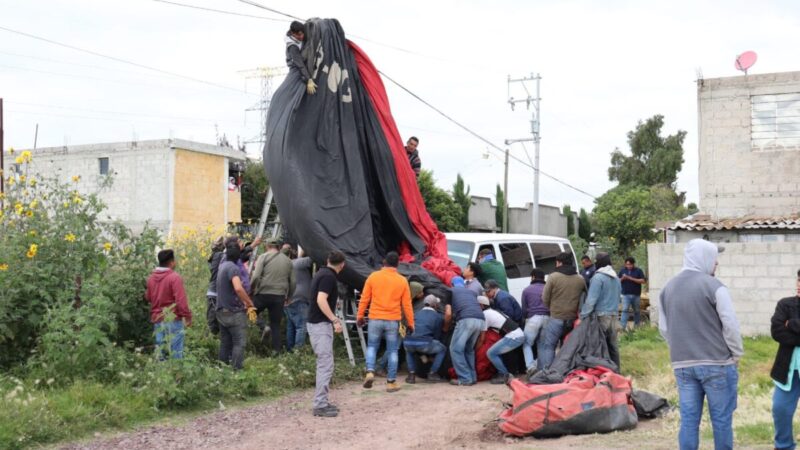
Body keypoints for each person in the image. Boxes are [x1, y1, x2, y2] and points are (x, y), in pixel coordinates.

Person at [659, 239, 742, 450]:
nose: (716, 264)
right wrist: (736, 353)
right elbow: (730, 325)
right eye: (715, 259)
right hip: (717, 364)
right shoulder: (715, 286)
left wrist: (681, 346)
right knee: (721, 421)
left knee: (688, 421)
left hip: (683, 365)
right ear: (704, 258)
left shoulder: (667, 288)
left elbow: (664, 329)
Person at [357, 251, 414, 393]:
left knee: (372, 346)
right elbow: (407, 305)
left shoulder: (373, 277)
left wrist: (360, 316)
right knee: (392, 350)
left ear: (384, 262)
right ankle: (391, 382)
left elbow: (365, 298)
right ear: (398, 264)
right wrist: (411, 323)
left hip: (375, 318)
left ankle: (370, 371)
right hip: (392, 320)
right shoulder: (402, 281)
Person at [306, 251, 347, 418]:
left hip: (317, 324)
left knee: (325, 364)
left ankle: (322, 402)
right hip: (320, 325)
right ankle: (320, 405)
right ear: (342, 265)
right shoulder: (329, 277)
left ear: (328, 260)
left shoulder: (321, 273)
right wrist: (335, 320)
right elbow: (321, 300)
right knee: (325, 364)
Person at [540, 252, 586, 370]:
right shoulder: (580, 279)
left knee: (549, 346)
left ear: (559, 262)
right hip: (572, 320)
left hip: (556, 317)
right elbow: (585, 297)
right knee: (567, 348)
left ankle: (548, 372)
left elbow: (545, 298)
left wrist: (552, 308)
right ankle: (564, 371)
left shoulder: (553, 277)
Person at [771, 269, 800, 450]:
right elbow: (777, 332)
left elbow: (787, 331)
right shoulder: (785, 304)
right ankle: (784, 446)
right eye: (798, 280)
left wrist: (792, 324)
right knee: (780, 409)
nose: (799, 284)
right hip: (788, 371)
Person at [216, 242, 257, 370]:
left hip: (221, 311)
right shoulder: (234, 268)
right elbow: (238, 288)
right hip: (234, 312)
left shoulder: (222, 266)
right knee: (239, 343)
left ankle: (222, 369)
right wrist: (249, 303)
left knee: (225, 343)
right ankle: (237, 371)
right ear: (238, 255)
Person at [251, 237, 295, 353]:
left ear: (267, 246)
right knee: (276, 325)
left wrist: (251, 288)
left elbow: (255, 276)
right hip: (279, 296)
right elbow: (293, 282)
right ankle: (277, 351)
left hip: (263, 294)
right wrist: (289, 297)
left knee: (249, 311)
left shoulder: (263, 257)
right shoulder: (288, 261)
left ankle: (262, 325)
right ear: (279, 247)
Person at [146, 249, 192, 360]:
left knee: (160, 353)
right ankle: (176, 376)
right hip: (173, 320)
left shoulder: (151, 278)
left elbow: (148, 297)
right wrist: (187, 316)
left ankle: (161, 376)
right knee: (176, 354)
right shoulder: (174, 277)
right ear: (171, 262)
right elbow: (181, 302)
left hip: (157, 320)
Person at [580, 252, 622, 370]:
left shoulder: (598, 278)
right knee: (613, 346)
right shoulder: (616, 278)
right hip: (614, 315)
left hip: (601, 316)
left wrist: (583, 315)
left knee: (600, 346)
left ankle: (604, 372)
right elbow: (619, 297)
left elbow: (591, 300)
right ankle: (616, 371)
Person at [447, 277, 486, 386]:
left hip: (466, 320)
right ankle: (472, 378)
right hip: (480, 320)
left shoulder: (450, 291)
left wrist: (446, 325)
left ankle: (465, 378)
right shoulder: (472, 292)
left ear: (452, 284)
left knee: (455, 349)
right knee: (469, 349)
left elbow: (448, 313)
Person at [404, 295, 446, 384]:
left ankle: (411, 375)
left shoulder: (415, 313)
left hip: (408, 341)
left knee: (409, 350)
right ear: (435, 305)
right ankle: (432, 373)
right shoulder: (437, 316)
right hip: (425, 343)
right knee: (442, 349)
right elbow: (437, 335)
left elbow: (409, 328)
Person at [521, 268, 548, 375]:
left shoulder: (527, 290)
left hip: (533, 319)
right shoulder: (547, 288)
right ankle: (541, 368)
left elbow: (524, 309)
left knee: (526, 343)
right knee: (542, 345)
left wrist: (524, 320)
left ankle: (531, 367)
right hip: (548, 318)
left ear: (532, 277)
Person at [287, 247, 313, 352]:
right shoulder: (297, 263)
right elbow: (313, 259)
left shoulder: (288, 265)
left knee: (291, 327)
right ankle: (298, 351)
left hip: (289, 299)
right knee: (301, 326)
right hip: (300, 300)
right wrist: (303, 252)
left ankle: (290, 350)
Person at [285, 20, 316, 95]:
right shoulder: (292, 47)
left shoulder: (301, 36)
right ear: (293, 33)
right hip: (297, 68)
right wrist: (309, 80)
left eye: (302, 34)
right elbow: (300, 64)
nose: (301, 37)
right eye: (299, 35)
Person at [618, 257, 646, 329]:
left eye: (630, 264)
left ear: (633, 264)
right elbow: (617, 280)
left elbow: (643, 281)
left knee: (636, 311)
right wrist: (622, 279)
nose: (629, 266)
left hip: (636, 295)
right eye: (627, 264)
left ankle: (636, 327)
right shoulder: (622, 271)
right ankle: (622, 327)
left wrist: (630, 278)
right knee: (624, 310)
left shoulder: (638, 271)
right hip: (625, 295)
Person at [206, 236, 225, 335]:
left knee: (212, 318)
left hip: (213, 291)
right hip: (216, 291)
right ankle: (212, 337)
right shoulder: (219, 255)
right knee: (213, 319)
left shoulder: (214, 256)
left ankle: (213, 336)